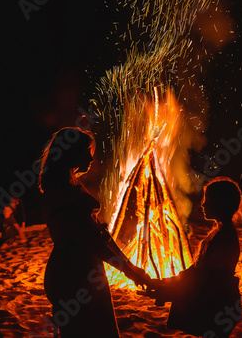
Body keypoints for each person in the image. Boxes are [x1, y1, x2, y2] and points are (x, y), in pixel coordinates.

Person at [38, 127, 150, 338]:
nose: (91, 157)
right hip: (73, 272)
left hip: (86, 270)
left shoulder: (73, 184)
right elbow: (89, 241)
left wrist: (130, 265)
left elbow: (99, 234)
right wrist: (127, 270)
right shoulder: (60, 192)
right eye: (85, 151)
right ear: (71, 153)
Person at [147, 177, 242, 338]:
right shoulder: (219, 232)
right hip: (218, 300)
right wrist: (168, 282)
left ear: (221, 203)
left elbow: (206, 276)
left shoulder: (224, 237)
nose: (203, 204)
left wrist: (169, 288)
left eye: (208, 200)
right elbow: (199, 270)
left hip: (218, 303)